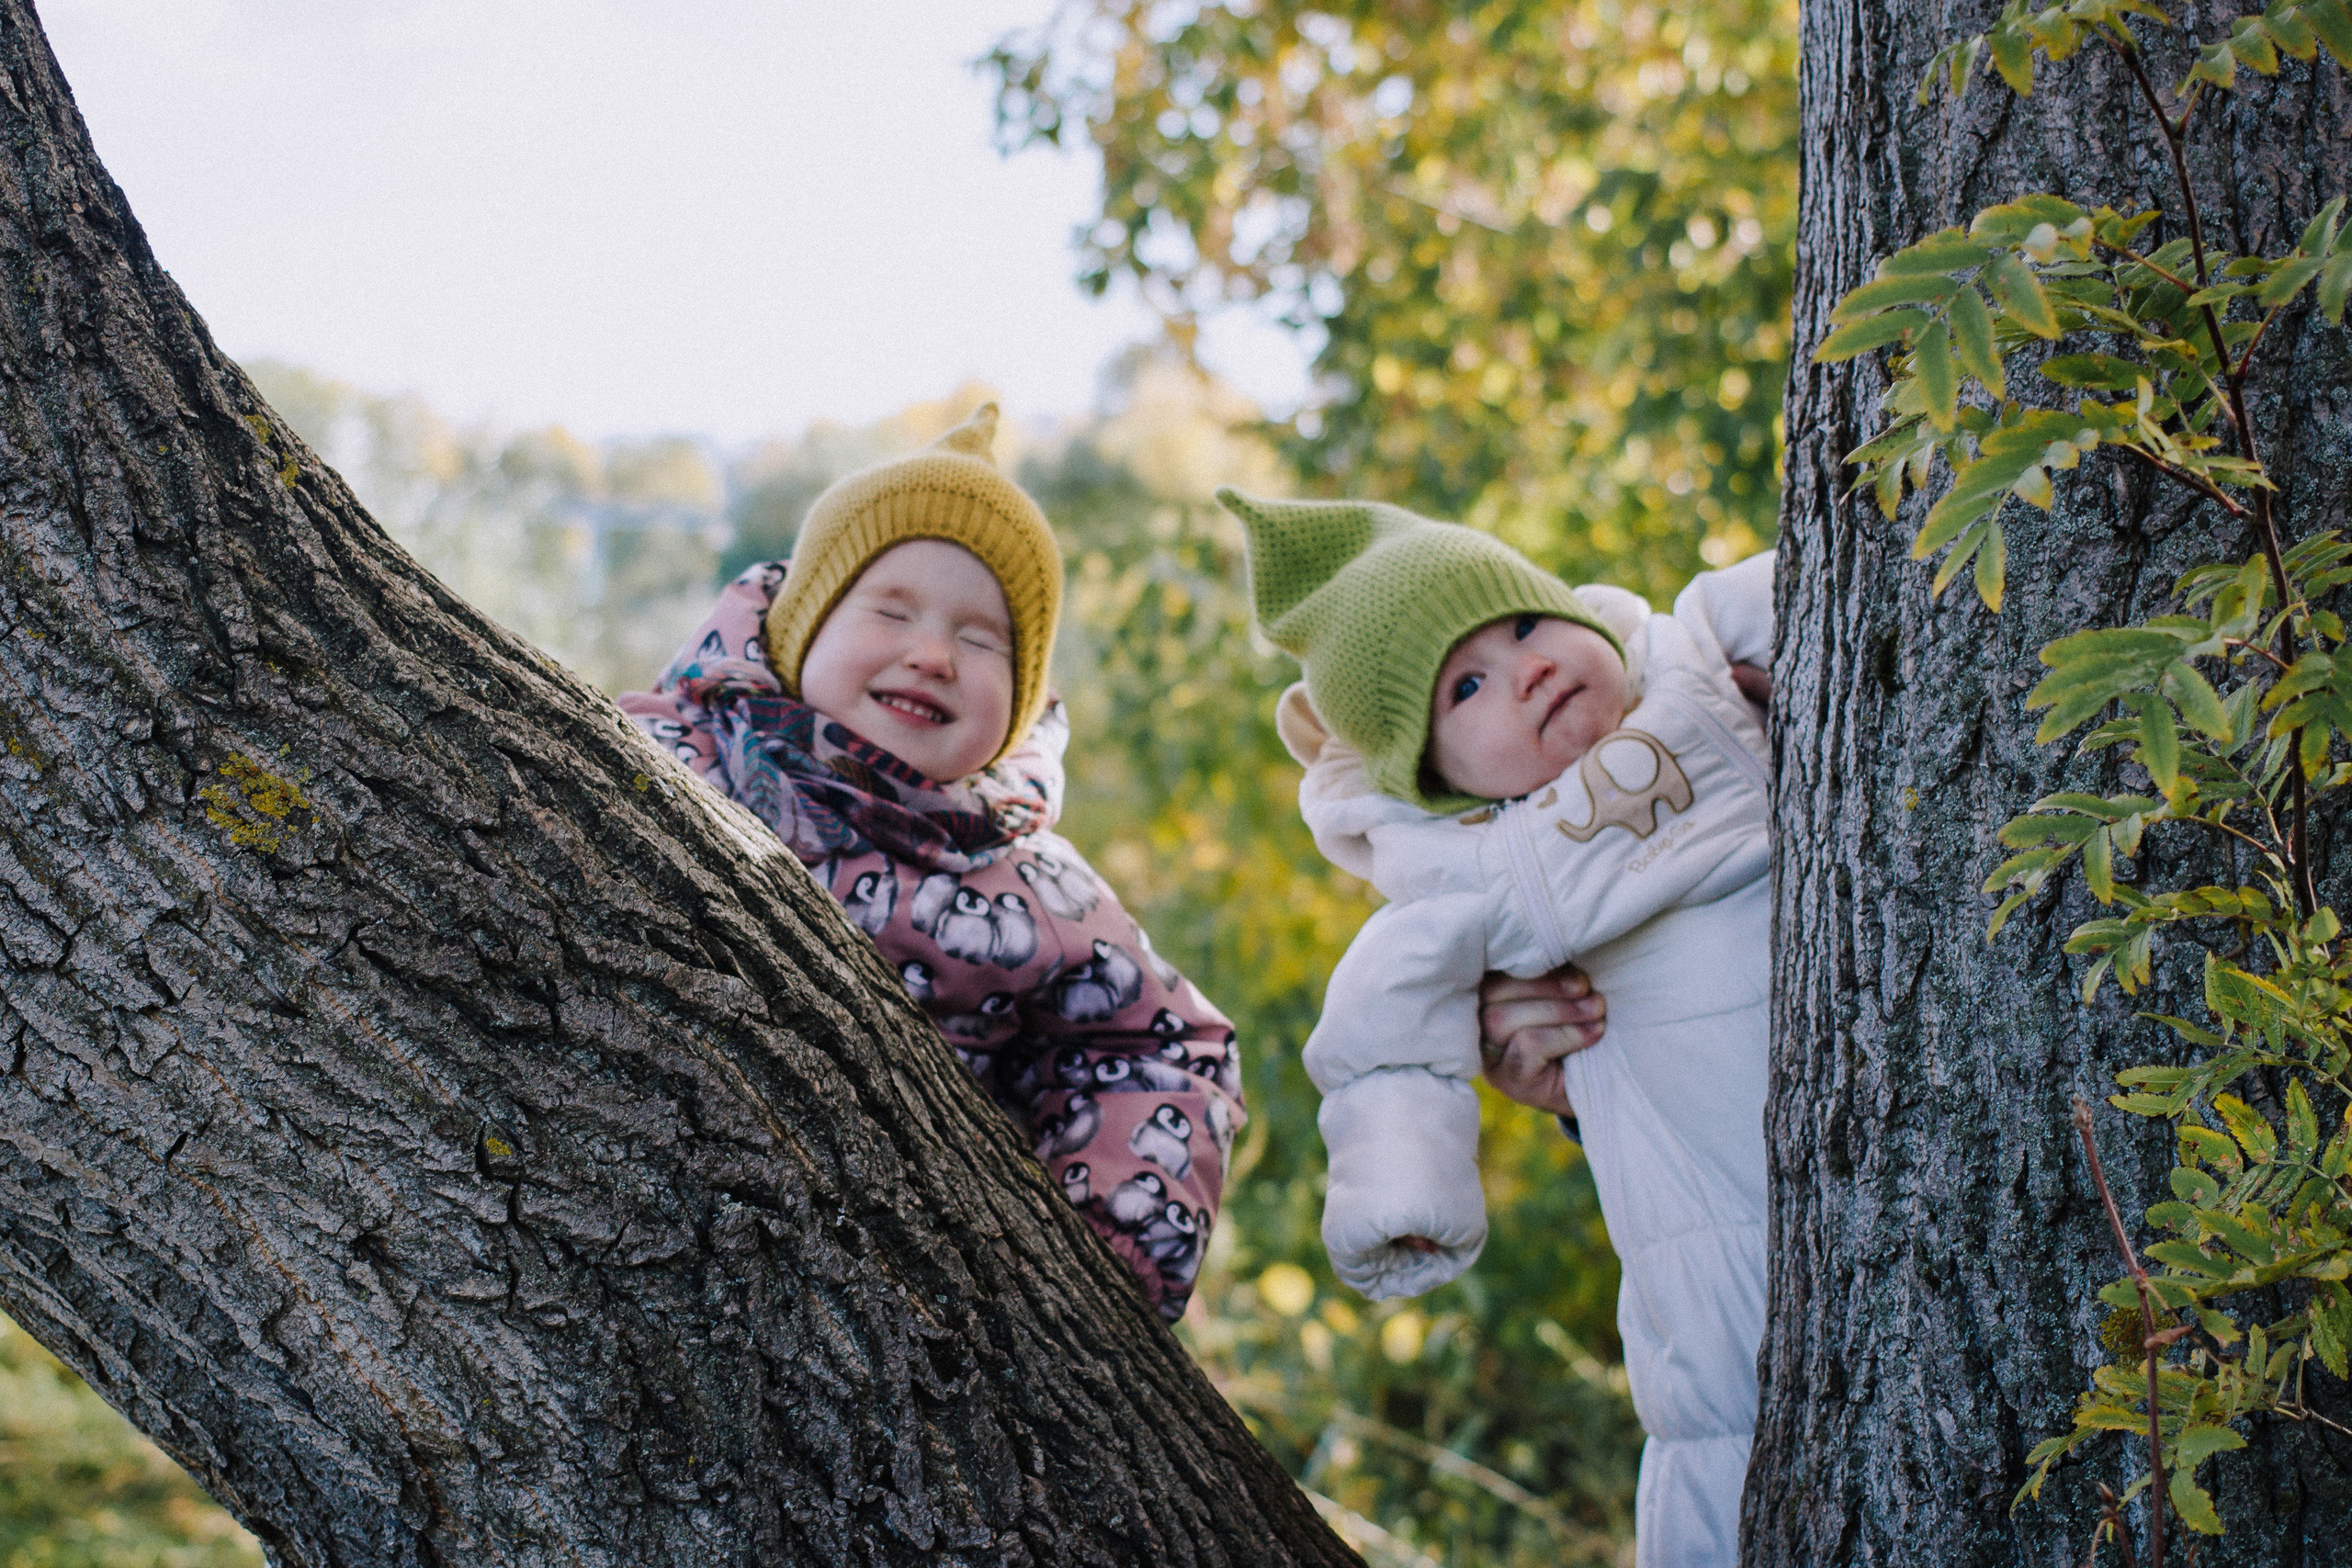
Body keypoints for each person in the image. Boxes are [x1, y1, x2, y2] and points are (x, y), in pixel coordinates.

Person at [1219, 486, 1772, 1568]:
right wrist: (1402, 1193)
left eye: (1525, 624)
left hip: (1909, 1087)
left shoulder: (1704, 670)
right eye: (1465, 685)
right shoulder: (1473, 873)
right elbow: (1379, 1035)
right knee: (1734, 1414)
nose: (1524, 667)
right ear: (1435, 779)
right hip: (1706, 1205)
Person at [619, 405, 1241, 1322]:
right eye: (891, 610)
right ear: (804, 629)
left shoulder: (1032, 880)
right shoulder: (675, 761)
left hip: (892, 1277)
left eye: (983, 640)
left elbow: (1158, 1049)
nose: (932, 654)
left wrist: (1102, 1253)